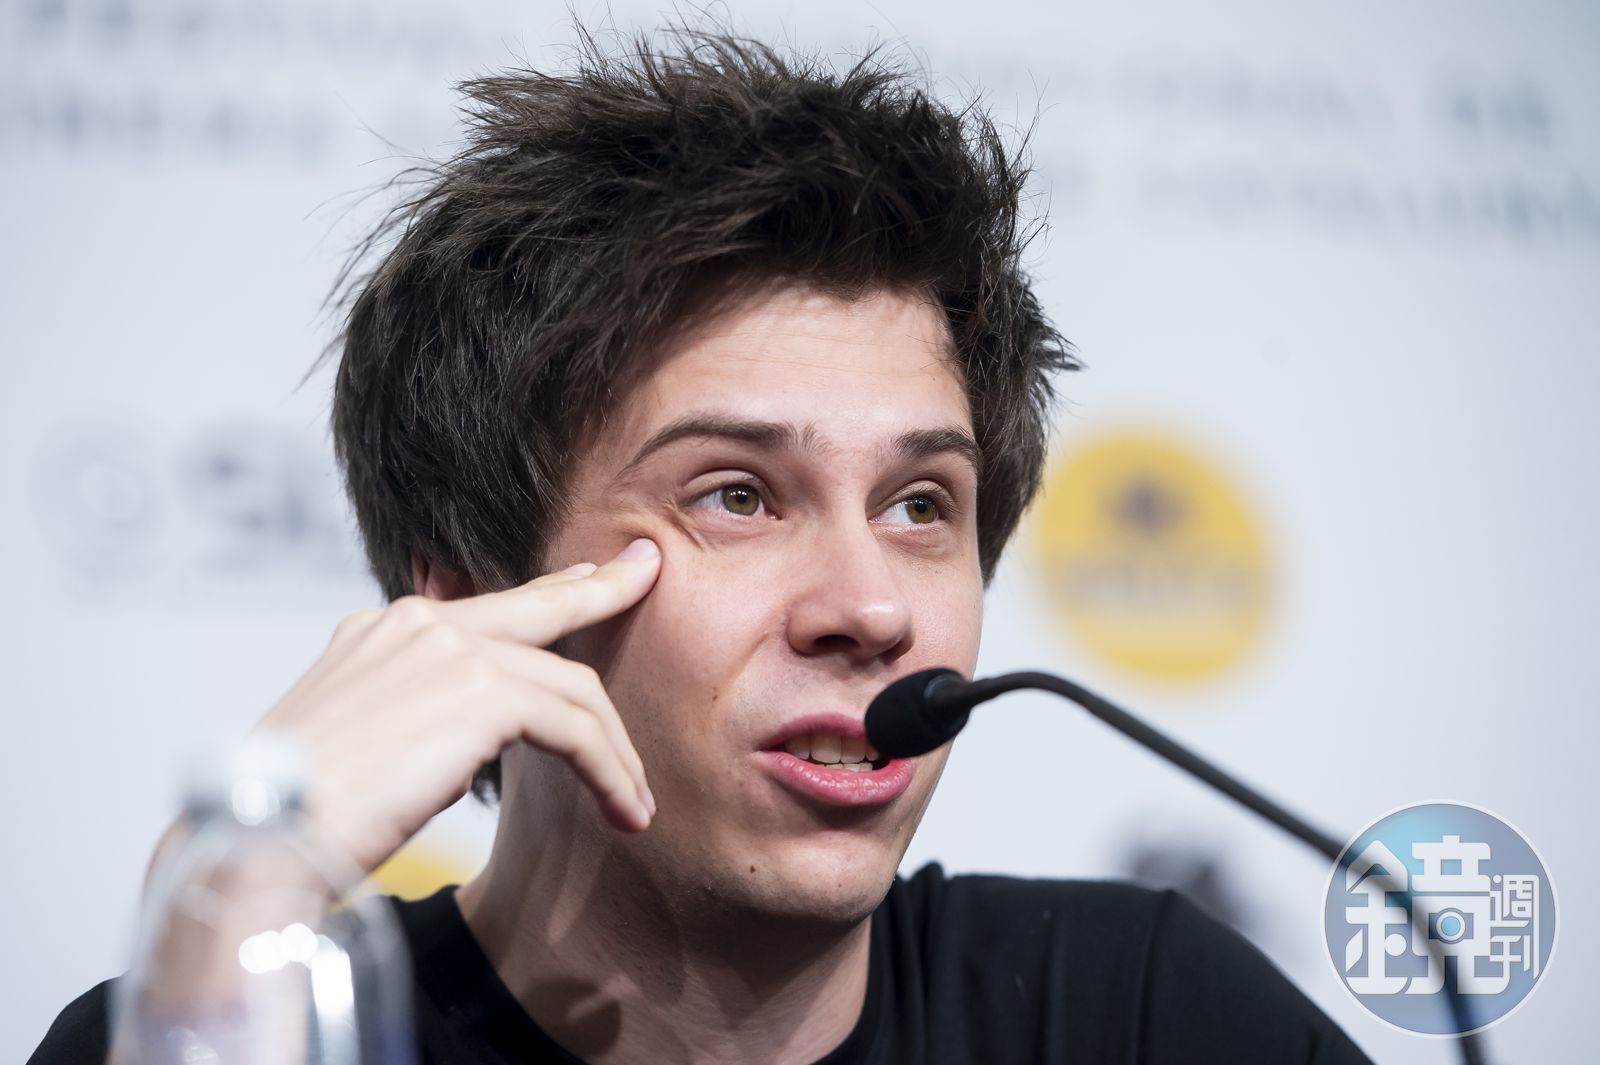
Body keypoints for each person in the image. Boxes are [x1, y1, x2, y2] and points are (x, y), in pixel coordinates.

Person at [32, 26, 1375, 1065]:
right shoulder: (262, 1029)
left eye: (921, 505)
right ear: (471, 598)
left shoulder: (1139, 1014)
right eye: (738, 496)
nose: (871, 609)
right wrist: (231, 899)